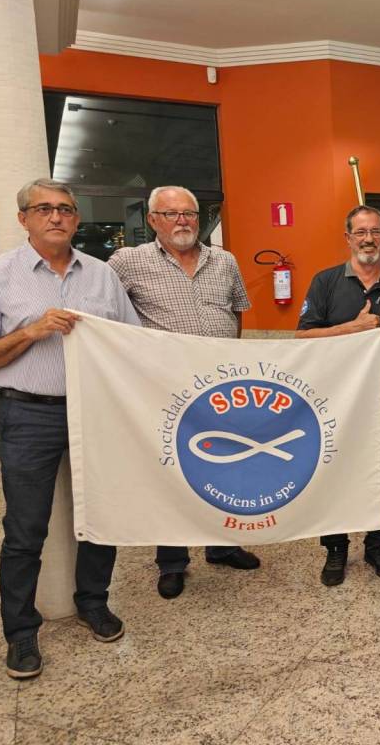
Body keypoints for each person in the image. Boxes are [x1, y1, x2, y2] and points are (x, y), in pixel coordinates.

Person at [0, 178, 140, 679]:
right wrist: (32, 331)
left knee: (101, 515)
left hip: (96, 411)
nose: (56, 216)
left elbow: (132, 342)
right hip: (29, 414)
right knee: (25, 528)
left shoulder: (102, 275)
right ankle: (20, 632)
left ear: (77, 219)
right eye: (43, 209)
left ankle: (94, 602)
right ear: (24, 219)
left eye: (65, 209)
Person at [108, 186, 260, 600]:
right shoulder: (127, 262)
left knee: (225, 467)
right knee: (171, 474)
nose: (182, 221)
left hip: (220, 390)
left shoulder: (225, 261)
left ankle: (222, 545)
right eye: (171, 213)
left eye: (189, 213)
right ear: (152, 220)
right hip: (164, 390)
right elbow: (105, 315)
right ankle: (172, 562)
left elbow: (237, 312)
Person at [295, 204, 380, 586]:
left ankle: (376, 544)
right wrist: (351, 328)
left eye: (375, 231)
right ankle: (336, 548)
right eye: (361, 232)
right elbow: (301, 337)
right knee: (335, 474)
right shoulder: (326, 282)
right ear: (348, 238)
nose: (368, 239)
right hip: (334, 401)